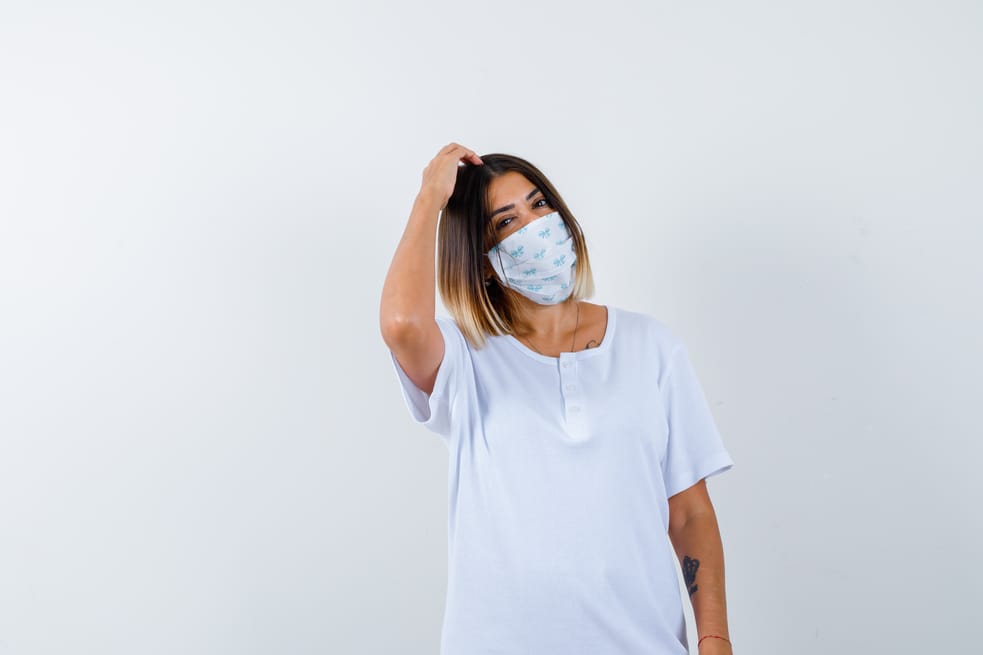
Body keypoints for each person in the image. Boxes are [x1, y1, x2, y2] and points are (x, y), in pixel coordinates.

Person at [379, 142, 736, 655]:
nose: (533, 226)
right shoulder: (466, 358)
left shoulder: (650, 346)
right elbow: (401, 325)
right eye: (505, 222)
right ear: (482, 261)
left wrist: (715, 639)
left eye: (539, 204)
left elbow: (690, 514)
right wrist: (429, 200)